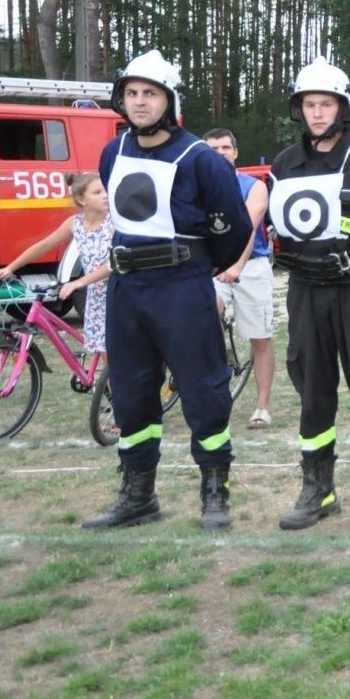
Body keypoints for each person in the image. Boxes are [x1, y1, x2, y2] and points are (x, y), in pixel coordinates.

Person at [81, 50, 253, 531]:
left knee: (202, 390)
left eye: (149, 94)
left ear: (169, 100)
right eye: (132, 94)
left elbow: (233, 230)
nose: (139, 102)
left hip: (181, 287)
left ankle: (215, 494)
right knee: (133, 393)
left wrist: (197, 269)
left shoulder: (201, 158)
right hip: (127, 289)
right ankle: (138, 495)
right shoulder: (113, 153)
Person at [266, 58, 350, 531]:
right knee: (312, 391)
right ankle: (318, 489)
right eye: (309, 104)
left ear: (343, 106)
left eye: (326, 104)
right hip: (305, 290)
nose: (317, 113)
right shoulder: (284, 161)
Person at [0, 172, 113, 362]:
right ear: (81, 200)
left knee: (114, 358)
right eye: (97, 192)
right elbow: (44, 245)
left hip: (117, 292)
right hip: (96, 296)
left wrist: (78, 283)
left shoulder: (115, 222)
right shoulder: (75, 223)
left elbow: (115, 263)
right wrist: (10, 268)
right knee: (107, 359)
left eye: (105, 190)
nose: (105, 195)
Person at [202, 128, 277, 430]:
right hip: (210, 267)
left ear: (235, 152)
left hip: (251, 264)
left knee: (260, 338)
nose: (220, 154)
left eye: (225, 148)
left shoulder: (253, 187)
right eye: (213, 149)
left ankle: (262, 405)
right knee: (204, 318)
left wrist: (236, 266)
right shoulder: (194, 188)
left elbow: (246, 227)